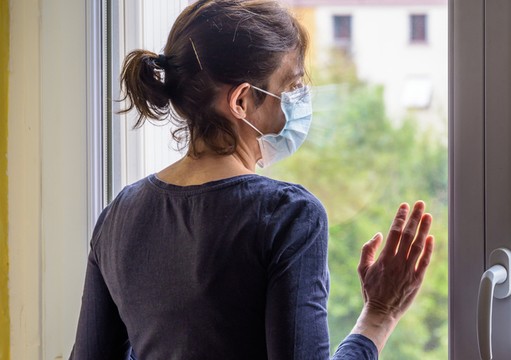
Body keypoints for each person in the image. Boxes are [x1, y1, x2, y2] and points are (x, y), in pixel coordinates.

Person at [69, 0, 435, 359]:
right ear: (241, 101)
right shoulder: (288, 215)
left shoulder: (119, 214)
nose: (298, 103)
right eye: (290, 88)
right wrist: (378, 316)